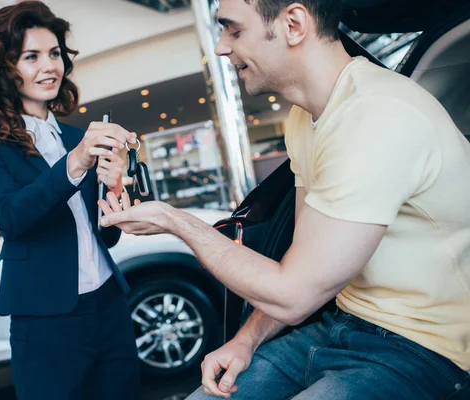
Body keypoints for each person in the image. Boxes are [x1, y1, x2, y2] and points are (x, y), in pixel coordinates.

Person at [98, 0, 470, 398]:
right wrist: (245, 340)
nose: (221, 47)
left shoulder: (376, 116)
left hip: (424, 351)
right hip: (341, 325)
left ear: (293, 24)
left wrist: (175, 222)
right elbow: (301, 264)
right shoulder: (303, 118)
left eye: (234, 30)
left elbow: (295, 295)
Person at [0, 2, 140, 399]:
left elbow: (103, 237)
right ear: (4, 68)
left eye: (55, 53)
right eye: (31, 56)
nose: (50, 66)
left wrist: (114, 194)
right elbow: (11, 216)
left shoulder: (78, 137)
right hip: (45, 316)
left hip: (109, 302)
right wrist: (75, 164)